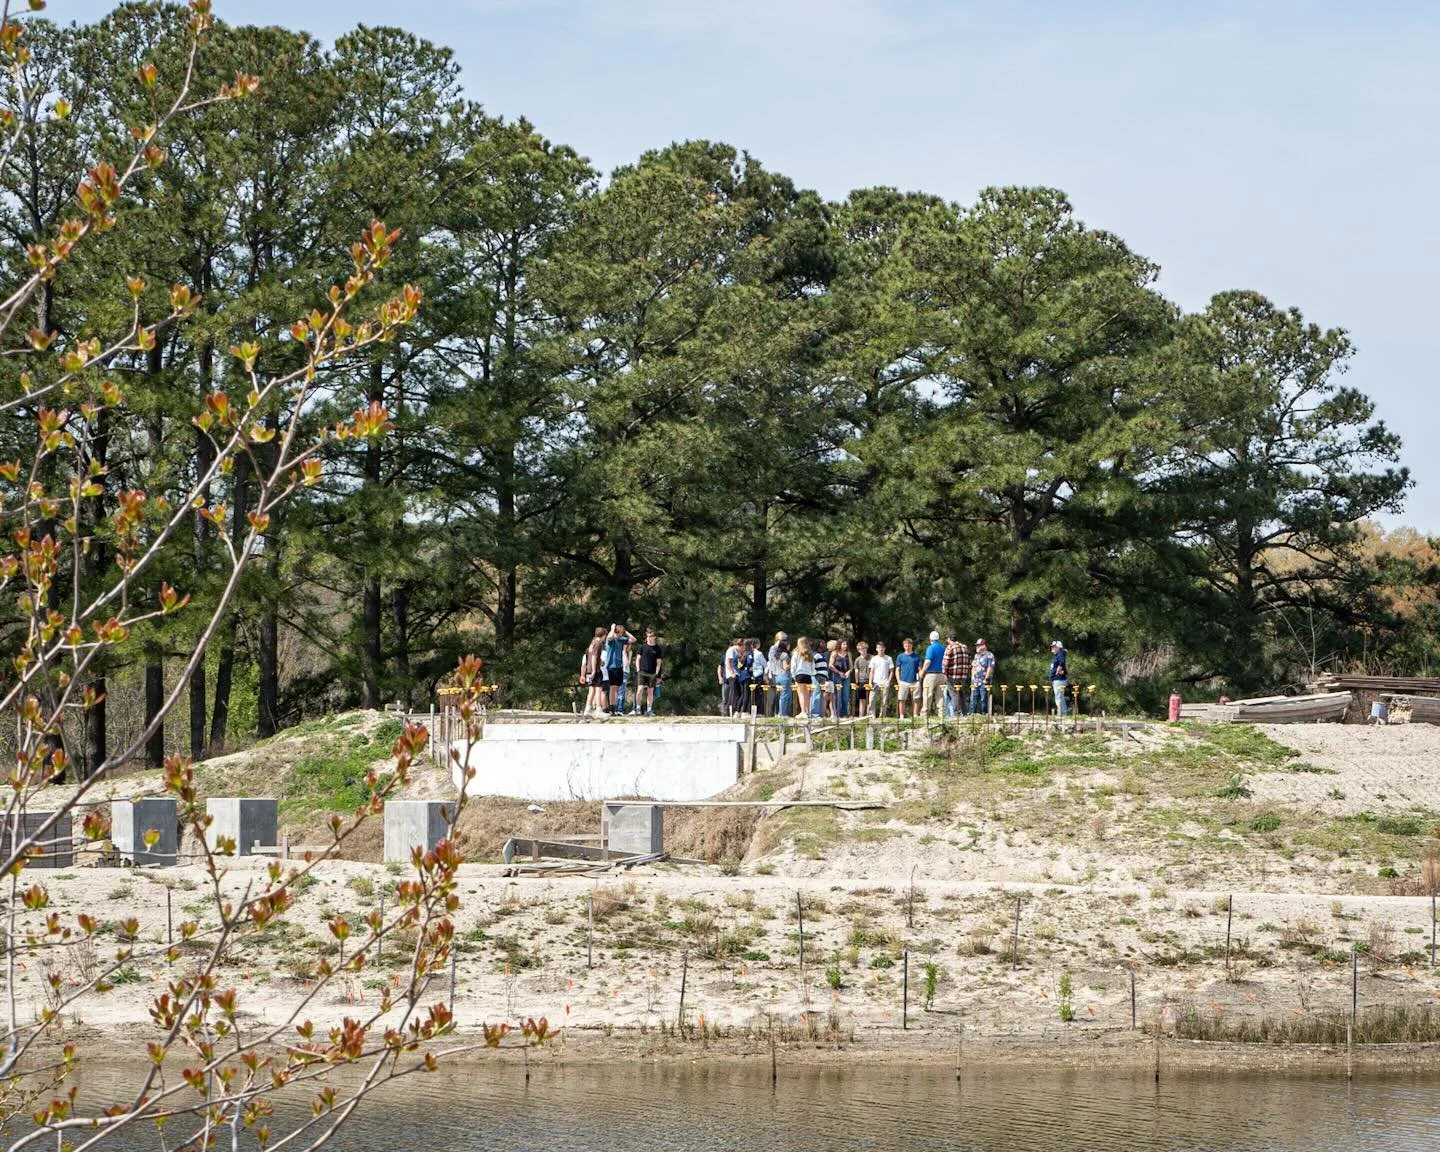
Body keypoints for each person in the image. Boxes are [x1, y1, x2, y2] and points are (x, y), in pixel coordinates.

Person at [604, 624, 634, 714]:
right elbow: (609, 637)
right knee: (613, 687)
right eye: (619, 633)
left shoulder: (621, 640)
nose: (620, 635)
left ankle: (616, 707)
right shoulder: (611, 640)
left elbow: (633, 639)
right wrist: (612, 629)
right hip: (611, 666)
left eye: (621, 633)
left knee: (617, 687)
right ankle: (612, 707)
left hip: (619, 666)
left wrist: (626, 632)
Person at [580, 626, 609, 717]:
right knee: (598, 689)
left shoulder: (592, 642)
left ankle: (587, 709)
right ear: (603, 635)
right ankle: (598, 709)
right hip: (595, 670)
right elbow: (593, 657)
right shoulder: (598, 643)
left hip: (589, 669)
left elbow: (593, 655)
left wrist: (600, 662)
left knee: (591, 690)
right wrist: (594, 670)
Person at [635, 628, 663, 716]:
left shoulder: (657, 649)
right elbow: (638, 659)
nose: (649, 638)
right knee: (640, 690)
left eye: (651, 636)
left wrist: (657, 674)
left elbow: (659, 663)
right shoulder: (642, 647)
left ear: (655, 637)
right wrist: (638, 670)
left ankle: (649, 710)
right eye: (648, 636)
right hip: (642, 672)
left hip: (652, 673)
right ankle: (638, 708)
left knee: (650, 692)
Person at [919, 630, 947, 718]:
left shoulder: (930, 648)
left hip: (931, 674)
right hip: (942, 674)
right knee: (940, 695)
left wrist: (922, 671)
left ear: (930, 639)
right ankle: (941, 714)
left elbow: (928, 661)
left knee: (927, 694)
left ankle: (925, 714)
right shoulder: (943, 648)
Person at [943, 634, 970, 718]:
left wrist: (945, 674)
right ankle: (965, 713)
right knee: (961, 694)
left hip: (953, 675)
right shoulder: (965, 647)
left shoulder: (950, 647)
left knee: (954, 694)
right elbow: (969, 661)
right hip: (963, 676)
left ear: (949, 639)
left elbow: (945, 663)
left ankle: (956, 714)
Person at [895, 638, 921, 719]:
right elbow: (897, 669)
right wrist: (898, 681)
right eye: (906, 645)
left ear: (912, 646)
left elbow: (920, 669)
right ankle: (902, 715)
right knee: (902, 699)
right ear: (903, 646)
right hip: (903, 681)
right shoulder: (900, 656)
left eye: (909, 645)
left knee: (916, 699)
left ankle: (915, 715)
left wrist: (919, 680)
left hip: (914, 681)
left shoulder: (916, 657)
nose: (907, 647)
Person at [868, 640, 894, 717]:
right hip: (875, 682)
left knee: (884, 701)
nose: (880, 649)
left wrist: (888, 681)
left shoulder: (888, 658)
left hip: (885, 682)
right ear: (876, 649)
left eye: (882, 647)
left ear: (884, 648)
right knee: (872, 700)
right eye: (879, 647)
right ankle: (871, 715)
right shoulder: (874, 658)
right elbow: (871, 671)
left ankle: (882, 716)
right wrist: (870, 682)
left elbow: (892, 671)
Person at [970, 638, 995, 716]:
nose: (977, 647)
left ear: (984, 646)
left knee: (983, 698)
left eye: (979, 645)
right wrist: (972, 678)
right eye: (977, 645)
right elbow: (973, 666)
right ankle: (972, 714)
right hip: (975, 681)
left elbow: (990, 668)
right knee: (973, 698)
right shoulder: (976, 656)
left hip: (984, 680)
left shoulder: (989, 655)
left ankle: (984, 713)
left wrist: (986, 679)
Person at [792, 637, 814, 717]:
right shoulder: (810, 653)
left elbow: (794, 665)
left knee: (801, 693)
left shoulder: (796, 653)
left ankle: (803, 712)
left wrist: (793, 674)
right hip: (808, 675)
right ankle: (808, 711)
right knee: (807, 694)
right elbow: (813, 666)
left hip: (799, 674)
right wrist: (811, 673)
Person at [723, 637, 744, 716]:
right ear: (740, 645)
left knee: (737, 692)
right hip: (732, 675)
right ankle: (730, 711)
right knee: (734, 693)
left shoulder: (737, 651)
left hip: (737, 674)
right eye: (743, 647)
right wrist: (732, 673)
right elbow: (727, 663)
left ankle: (734, 710)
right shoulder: (731, 650)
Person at [772, 640, 793, 717]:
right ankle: (783, 713)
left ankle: (778, 713)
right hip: (784, 676)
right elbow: (785, 667)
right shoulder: (785, 655)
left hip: (777, 676)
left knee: (779, 696)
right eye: (788, 645)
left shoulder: (775, 654)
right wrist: (792, 663)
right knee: (785, 696)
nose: (789, 647)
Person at [832, 640, 852, 718]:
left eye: (846, 644)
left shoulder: (849, 654)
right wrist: (839, 672)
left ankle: (844, 713)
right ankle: (836, 714)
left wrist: (848, 672)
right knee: (837, 695)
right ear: (840, 645)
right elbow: (830, 665)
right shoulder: (835, 653)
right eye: (844, 644)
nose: (845, 646)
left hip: (846, 676)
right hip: (837, 675)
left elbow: (851, 666)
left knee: (845, 695)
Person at [1049, 640, 1070, 717]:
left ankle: (1061, 713)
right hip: (1057, 679)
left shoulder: (1060, 654)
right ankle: (1064, 713)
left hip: (1059, 679)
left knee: (1058, 697)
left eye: (1054, 647)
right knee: (1060, 696)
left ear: (1058, 648)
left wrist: (1059, 668)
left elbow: (1062, 661)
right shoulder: (1057, 655)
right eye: (1052, 647)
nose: (1052, 648)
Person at [811, 639, 831, 717]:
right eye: (822, 642)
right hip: (817, 677)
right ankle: (814, 714)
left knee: (821, 696)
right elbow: (812, 666)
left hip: (823, 677)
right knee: (816, 695)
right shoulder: (815, 655)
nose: (824, 644)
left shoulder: (822, 655)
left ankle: (819, 713)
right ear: (818, 644)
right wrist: (816, 675)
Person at [852, 641, 871, 718]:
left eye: (864, 648)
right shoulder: (857, 660)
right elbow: (856, 670)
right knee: (862, 699)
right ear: (858, 650)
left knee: (870, 698)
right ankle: (861, 715)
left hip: (870, 680)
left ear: (866, 648)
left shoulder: (872, 657)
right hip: (861, 681)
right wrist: (857, 681)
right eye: (860, 649)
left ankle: (869, 714)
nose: (862, 650)